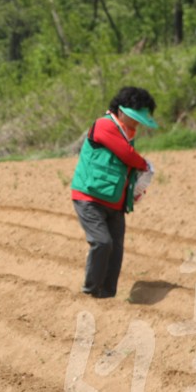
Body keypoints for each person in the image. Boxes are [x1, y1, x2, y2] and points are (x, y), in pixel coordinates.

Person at [70, 86, 158, 299]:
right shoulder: (104, 125)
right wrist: (145, 165)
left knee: (116, 249)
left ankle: (107, 295)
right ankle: (90, 290)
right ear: (121, 111)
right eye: (136, 117)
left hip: (115, 202)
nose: (138, 123)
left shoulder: (128, 133)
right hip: (89, 198)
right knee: (102, 242)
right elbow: (126, 155)